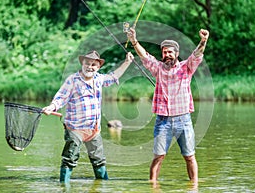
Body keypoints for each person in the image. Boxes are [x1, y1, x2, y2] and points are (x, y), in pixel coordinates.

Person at [127, 28, 209, 185]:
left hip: (184, 120)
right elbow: (145, 56)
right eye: (164, 52)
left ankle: (194, 186)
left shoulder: (186, 68)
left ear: (176, 54)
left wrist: (203, 41)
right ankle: (153, 186)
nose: (167, 55)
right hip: (163, 121)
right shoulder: (157, 68)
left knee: (189, 156)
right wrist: (134, 41)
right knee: (158, 156)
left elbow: (197, 55)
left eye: (170, 52)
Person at [43, 50, 133, 183]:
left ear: (98, 67)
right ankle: (63, 186)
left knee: (99, 160)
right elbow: (61, 97)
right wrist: (51, 107)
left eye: (93, 65)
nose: (90, 67)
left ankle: (103, 186)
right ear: (82, 63)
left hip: (93, 129)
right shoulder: (73, 80)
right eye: (87, 63)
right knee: (70, 158)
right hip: (75, 128)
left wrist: (127, 62)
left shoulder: (99, 79)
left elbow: (113, 76)